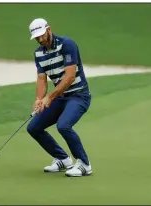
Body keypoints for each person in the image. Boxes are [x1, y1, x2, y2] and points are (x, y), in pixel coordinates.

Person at [26, 18, 92, 177]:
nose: (40, 39)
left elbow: (69, 78)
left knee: (63, 125)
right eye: (37, 37)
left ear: (49, 29)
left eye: (42, 35)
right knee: (33, 127)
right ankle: (63, 159)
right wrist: (38, 99)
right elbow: (42, 79)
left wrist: (49, 97)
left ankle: (84, 164)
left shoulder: (67, 44)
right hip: (60, 98)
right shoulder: (39, 53)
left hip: (79, 95)